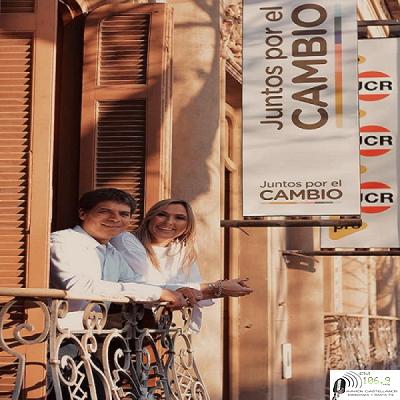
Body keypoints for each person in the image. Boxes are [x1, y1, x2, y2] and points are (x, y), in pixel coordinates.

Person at [50, 188, 187, 330]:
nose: (115, 219)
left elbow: (136, 282)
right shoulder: (63, 241)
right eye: (104, 211)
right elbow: (78, 287)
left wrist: (178, 290)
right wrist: (158, 293)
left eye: (123, 214)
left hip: (92, 335)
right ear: (83, 214)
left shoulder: (112, 252)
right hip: (56, 334)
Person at [111, 198, 253, 332]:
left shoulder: (182, 250)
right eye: (161, 215)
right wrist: (217, 287)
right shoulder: (125, 240)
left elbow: (191, 292)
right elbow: (149, 286)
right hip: (122, 323)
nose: (168, 222)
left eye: (179, 218)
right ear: (150, 218)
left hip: (158, 327)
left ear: (187, 226)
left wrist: (219, 289)